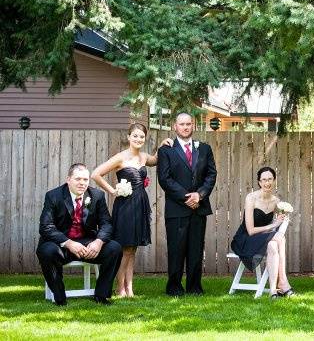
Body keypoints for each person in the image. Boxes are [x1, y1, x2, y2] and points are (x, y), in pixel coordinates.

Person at [90, 123, 170, 297]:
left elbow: (156, 160)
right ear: (129, 137)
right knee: (124, 248)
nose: (138, 139)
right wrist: (112, 191)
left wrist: (163, 144)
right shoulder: (121, 157)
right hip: (125, 207)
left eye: (141, 136)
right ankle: (120, 289)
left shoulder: (143, 157)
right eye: (135, 136)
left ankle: (130, 289)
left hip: (140, 205)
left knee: (132, 249)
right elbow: (95, 174)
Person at [37, 163, 123, 305]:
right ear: (68, 179)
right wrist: (69, 243)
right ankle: (59, 297)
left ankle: (101, 295)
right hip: (61, 245)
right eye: (78, 179)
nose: (82, 183)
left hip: (87, 245)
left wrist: (99, 241)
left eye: (85, 179)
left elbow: (106, 223)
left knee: (114, 248)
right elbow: (46, 227)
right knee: (46, 251)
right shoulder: (53, 196)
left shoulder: (97, 196)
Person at [157, 112, 217, 296]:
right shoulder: (166, 150)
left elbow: (211, 175)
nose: (185, 127)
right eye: (181, 124)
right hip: (177, 209)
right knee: (176, 250)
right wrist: (186, 197)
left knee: (196, 250)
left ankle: (194, 287)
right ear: (175, 126)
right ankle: (174, 287)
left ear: (193, 126)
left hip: (198, 208)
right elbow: (165, 179)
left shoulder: (204, 149)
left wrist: (199, 195)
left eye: (188, 124)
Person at [230, 167, 293, 298]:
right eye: (264, 180)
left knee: (273, 245)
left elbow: (280, 222)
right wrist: (274, 225)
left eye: (270, 179)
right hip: (245, 239)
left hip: (263, 238)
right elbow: (251, 230)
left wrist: (283, 219)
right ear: (259, 182)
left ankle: (273, 291)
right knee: (280, 238)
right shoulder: (251, 198)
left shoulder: (276, 201)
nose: (267, 183)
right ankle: (283, 283)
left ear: (274, 180)